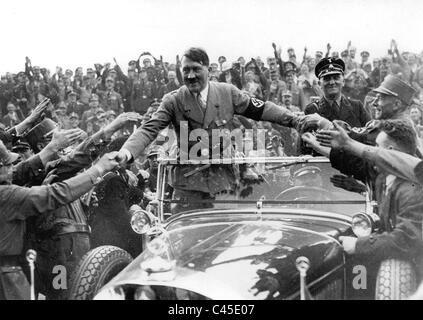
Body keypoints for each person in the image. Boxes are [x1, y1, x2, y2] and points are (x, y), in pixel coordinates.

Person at [115, 47, 328, 214]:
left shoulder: (227, 93)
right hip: (188, 186)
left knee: (224, 238)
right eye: (186, 70)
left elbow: (262, 109)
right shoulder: (173, 100)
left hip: (224, 183)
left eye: (196, 69)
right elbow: (148, 129)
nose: (190, 76)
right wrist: (127, 151)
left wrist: (295, 120)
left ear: (208, 69)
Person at [304, 119, 423, 298]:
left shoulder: (411, 190)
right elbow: (354, 165)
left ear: (388, 152)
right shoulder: (384, 179)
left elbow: (407, 238)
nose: (371, 152)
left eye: (376, 147)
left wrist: (358, 245)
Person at [0, 139, 119, 300]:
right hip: (55, 250)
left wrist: (85, 206)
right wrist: (98, 168)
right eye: (9, 165)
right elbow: (56, 193)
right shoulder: (39, 178)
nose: (13, 168)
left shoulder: (32, 180)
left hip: (71, 246)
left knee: (75, 285)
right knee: (61, 291)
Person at [304, 57, 370, 127]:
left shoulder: (357, 107)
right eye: (327, 79)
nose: (332, 82)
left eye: (336, 78)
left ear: (343, 82)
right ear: (320, 84)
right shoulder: (312, 110)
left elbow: (371, 134)